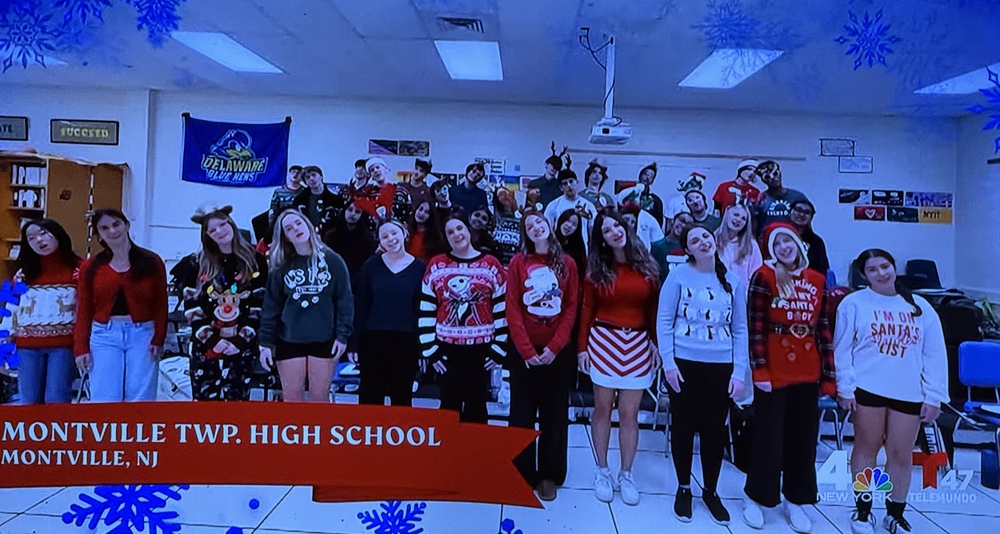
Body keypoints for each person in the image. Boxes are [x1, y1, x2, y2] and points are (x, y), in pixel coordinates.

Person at [834, 249, 948, 534]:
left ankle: (895, 512)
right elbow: (842, 349)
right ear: (864, 275)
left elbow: (935, 355)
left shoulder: (921, 307)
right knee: (865, 449)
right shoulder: (854, 303)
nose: (881, 273)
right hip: (867, 389)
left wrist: (934, 395)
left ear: (894, 267)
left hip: (909, 393)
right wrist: (845, 388)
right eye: (872, 270)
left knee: (901, 455)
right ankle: (863, 511)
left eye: (885, 266)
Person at [743, 222, 835, 533]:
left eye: (789, 241)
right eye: (777, 243)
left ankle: (796, 499)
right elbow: (754, 327)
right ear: (771, 249)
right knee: (769, 437)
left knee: (803, 439)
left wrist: (829, 376)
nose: (784, 247)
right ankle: (757, 496)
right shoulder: (764, 277)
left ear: (798, 244)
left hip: (807, 368)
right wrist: (759, 370)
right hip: (773, 367)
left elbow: (823, 329)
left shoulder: (817, 279)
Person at [657, 225, 749, 525]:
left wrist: (739, 372)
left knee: (713, 431)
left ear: (714, 242)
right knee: (683, 428)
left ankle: (710, 490)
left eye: (706, 237)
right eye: (695, 240)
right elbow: (665, 321)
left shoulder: (733, 281)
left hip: (721, 365)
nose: (702, 242)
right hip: (684, 363)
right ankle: (684, 488)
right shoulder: (678, 276)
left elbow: (739, 329)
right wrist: (668, 364)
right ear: (689, 249)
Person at [578, 210, 661, 506]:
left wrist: (655, 342)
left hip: (638, 343)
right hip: (603, 340)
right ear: (600, 238)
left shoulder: (648, 264)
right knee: (602, 409)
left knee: (630, 413)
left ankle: (626, 473)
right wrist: (582, 347)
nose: (614, 231)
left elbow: (653, 309)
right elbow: (586, 308)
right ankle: (602, 470)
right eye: (607, 230)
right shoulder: (597, 268)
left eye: (617, 225)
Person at [505, 213, 579, 501]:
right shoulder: (517, 263)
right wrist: (526, 350)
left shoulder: (567, 264)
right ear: (526, 233)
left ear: (549, 226)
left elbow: (571, 306)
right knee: (521, 413)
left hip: (557, 353)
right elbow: (512, 307)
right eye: (529, 225)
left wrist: (553, 348)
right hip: (524, 352)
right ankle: (522, 472)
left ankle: (550, 474)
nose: (536, 227)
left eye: (539, 222)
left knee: (555, 414)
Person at [418, 213, 508, 423]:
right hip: (446, 350)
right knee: (449, 406)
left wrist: (498, 350)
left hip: (481, 350)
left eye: (460, 229)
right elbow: (426, 310)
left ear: (469, 230)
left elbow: (502, 310)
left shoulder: (490, 265)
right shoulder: (436, 265)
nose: (456, 234)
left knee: (477, 406)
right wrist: (431, 351)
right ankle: (448, 454)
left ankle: (475, 454)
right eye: (450, 232)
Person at [259, 209, 354, 403]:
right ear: (285, 237)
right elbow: (271, 307)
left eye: (298, 223)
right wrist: (265, 343)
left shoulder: (333, 260)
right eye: (289, 228)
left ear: (308, 225)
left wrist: (342, 336)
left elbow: (344, 300)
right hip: (289, 340)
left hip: (324, 339)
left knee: (319, 399)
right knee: (292, 399)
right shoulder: (281, 266)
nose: (296, 229)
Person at [173, 205, 267, 401]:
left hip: (242, 345)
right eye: (213, 230)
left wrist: (241, 341)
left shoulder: (255, 260)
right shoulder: (195, 263)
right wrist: (213, 341)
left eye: (223, 224)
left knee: (237, 405)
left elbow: (259, 305)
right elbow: (192, 309)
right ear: (207, 235)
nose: (220, 231)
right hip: (206, 347)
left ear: (231, 224)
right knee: (205, 406)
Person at [74, 209, 167, 403]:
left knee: (141, 396)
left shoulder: (152, 261)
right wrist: (80, 347)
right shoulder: (90, 267)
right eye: (105, 228)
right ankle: (106, 434)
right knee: (105, 397)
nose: (112, 231)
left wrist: (159, 338)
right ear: (99, 235)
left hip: (143, 334)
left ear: (126, 225)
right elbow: (83, 309)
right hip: (104, 335)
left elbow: (160, 303)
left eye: (116, 224)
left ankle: (139, 433)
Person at [349, 220, 425, 406]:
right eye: (385, 236)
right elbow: (361, 307)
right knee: (370, 397)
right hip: (373, 341)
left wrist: (424, 348)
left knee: (401, 397)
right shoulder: (370, 267)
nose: (391, 239)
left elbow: (422, 311)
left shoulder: (420, 269)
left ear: (404, 233)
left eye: (394, 233)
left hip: (406, 342)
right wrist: (354, 344)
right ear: (380, 242)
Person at [12, 219, 81, 404]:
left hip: (63, 345)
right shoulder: (23, 273)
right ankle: (28, 434)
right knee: (28, 401)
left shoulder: (78, 270)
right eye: (31, 238)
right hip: (26, 347)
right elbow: (10, 307)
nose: (39, 241)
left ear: (58, 234)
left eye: (43, 233)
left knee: (56, 399)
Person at [323, 200, 378, 281]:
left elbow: (367, 265)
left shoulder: (369, 239)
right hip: (335, 277)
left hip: (359, 281)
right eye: (350, 210)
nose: (352, 214)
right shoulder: (331, 235)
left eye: (357, 212)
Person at [753, 161, 807, 235]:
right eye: (767, 177)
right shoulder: (760, 199)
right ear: (763, 180)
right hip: (766, 240)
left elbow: (807, 221)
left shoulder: (797, 197)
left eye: (775, 174)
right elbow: (754, 224)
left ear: (780, 174)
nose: (773, 178)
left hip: (793, 240)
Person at [715, 204, 763, 286]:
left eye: (743, 219)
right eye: (736, 215)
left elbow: (757, 275)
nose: (738, 220)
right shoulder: (713, 240)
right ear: (727, 213)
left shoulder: (751, 245)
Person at [293, 166, 346, 237]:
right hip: (307, 235)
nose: (311, 179)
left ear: (321, 176)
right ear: (305, 182)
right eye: (308, 177)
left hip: (329, 236)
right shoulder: (299, 200)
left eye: (314, 175)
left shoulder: (336, 200)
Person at [789, 199, 830, 276]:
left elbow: (821, 270)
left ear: (811, 217)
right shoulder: (779, 236)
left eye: (806, 212)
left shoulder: (816, 241)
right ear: (790, 213)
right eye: (798, 210)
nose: (801, 214)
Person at [650, 212, 695, 283]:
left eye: (687, 224)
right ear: (673, 221)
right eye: (681, 220)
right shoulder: (657, 246)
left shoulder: (692, 249)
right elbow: (653, 273)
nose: (683, 225)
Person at [616, 163, 664, 227]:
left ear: (652, 180)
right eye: (646, 174)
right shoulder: (628, 194)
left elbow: (659, 222)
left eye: (651, 176)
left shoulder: (656, 200)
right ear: (640, 175)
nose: (647, 177)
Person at [491, 187, 521, 265]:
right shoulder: (492, 219)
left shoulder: (521, 219)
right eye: (501, 194)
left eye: (508, 194)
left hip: (516, 263)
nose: (506, 196)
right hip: (497, 263)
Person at [556, 209, 587, 282]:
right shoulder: (549, 240)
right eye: (568, 221)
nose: (569, 226)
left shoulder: (578, 247)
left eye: (574, 224)